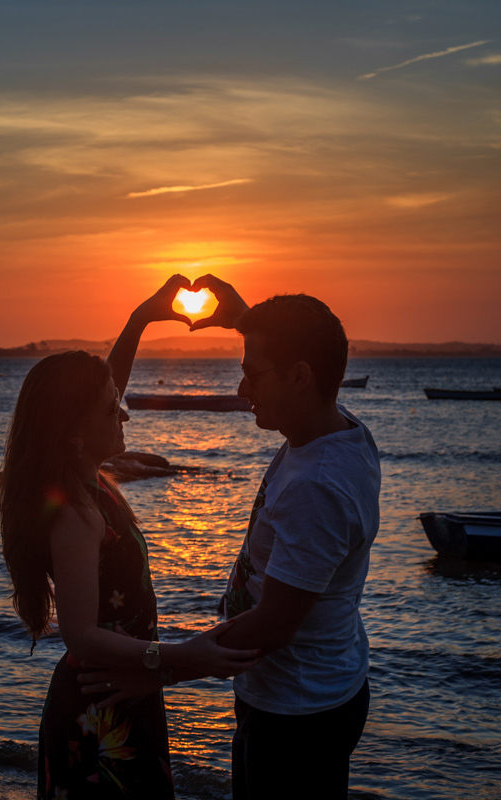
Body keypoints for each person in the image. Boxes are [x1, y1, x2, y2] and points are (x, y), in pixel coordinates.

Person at [0, 274, 262, 800]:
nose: (123, 411)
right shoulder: (73, 511)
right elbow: (80, 634)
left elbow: (101, 387)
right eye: (110, 408)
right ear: (75, 433)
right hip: (99, 712)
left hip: (125, 691)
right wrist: (181, 656)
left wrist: (144, 315)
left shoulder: (85, 476)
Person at [194, 275, 382, 800]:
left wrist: (162, 666)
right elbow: (305, 352)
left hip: (296, 715)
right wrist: (248, 321)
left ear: (300, 376)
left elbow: (274, 625)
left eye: (252, 375)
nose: (242, 390)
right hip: (313, 689)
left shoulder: (316, 486)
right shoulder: (341, 430)